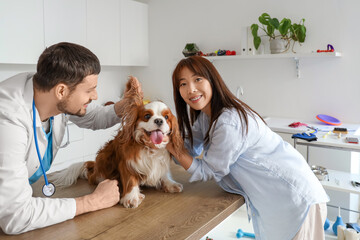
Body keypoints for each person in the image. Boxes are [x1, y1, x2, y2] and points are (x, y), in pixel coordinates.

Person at [166, 56, 329, 240]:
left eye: (197, 79)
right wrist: (165, 135)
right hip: (278, 202)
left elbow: (207, 171)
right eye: (183, 84)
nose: (191, 89)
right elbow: (189, 149)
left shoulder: (228, 123)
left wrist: (173, 147)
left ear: (212, 79)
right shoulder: (205, 117)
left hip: (295, 199)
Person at [0, 42, 142, 234]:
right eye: (89, 90)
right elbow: (16, 216)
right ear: (61, 91)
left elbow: (92, 115)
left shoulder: (48, 92)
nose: (95, 95)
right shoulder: (8, 120)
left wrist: (124, 105)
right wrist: (92, 201)